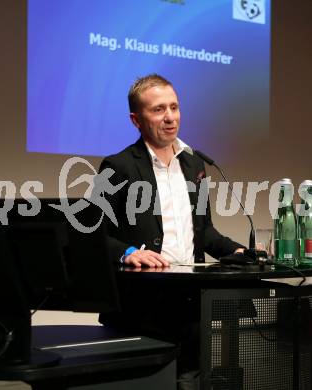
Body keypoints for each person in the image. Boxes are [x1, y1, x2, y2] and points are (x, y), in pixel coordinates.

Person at [99, 74, 245, 389]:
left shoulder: (195, 166)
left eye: (174, 107)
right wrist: (128, 252)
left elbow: (204, 232)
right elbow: (91, 231)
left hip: (191, 304)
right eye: (158, 110)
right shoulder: (118, 166)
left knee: (190, 380)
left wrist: (239, 251)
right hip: (143, 305)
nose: (170, 118)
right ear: (136, 120)